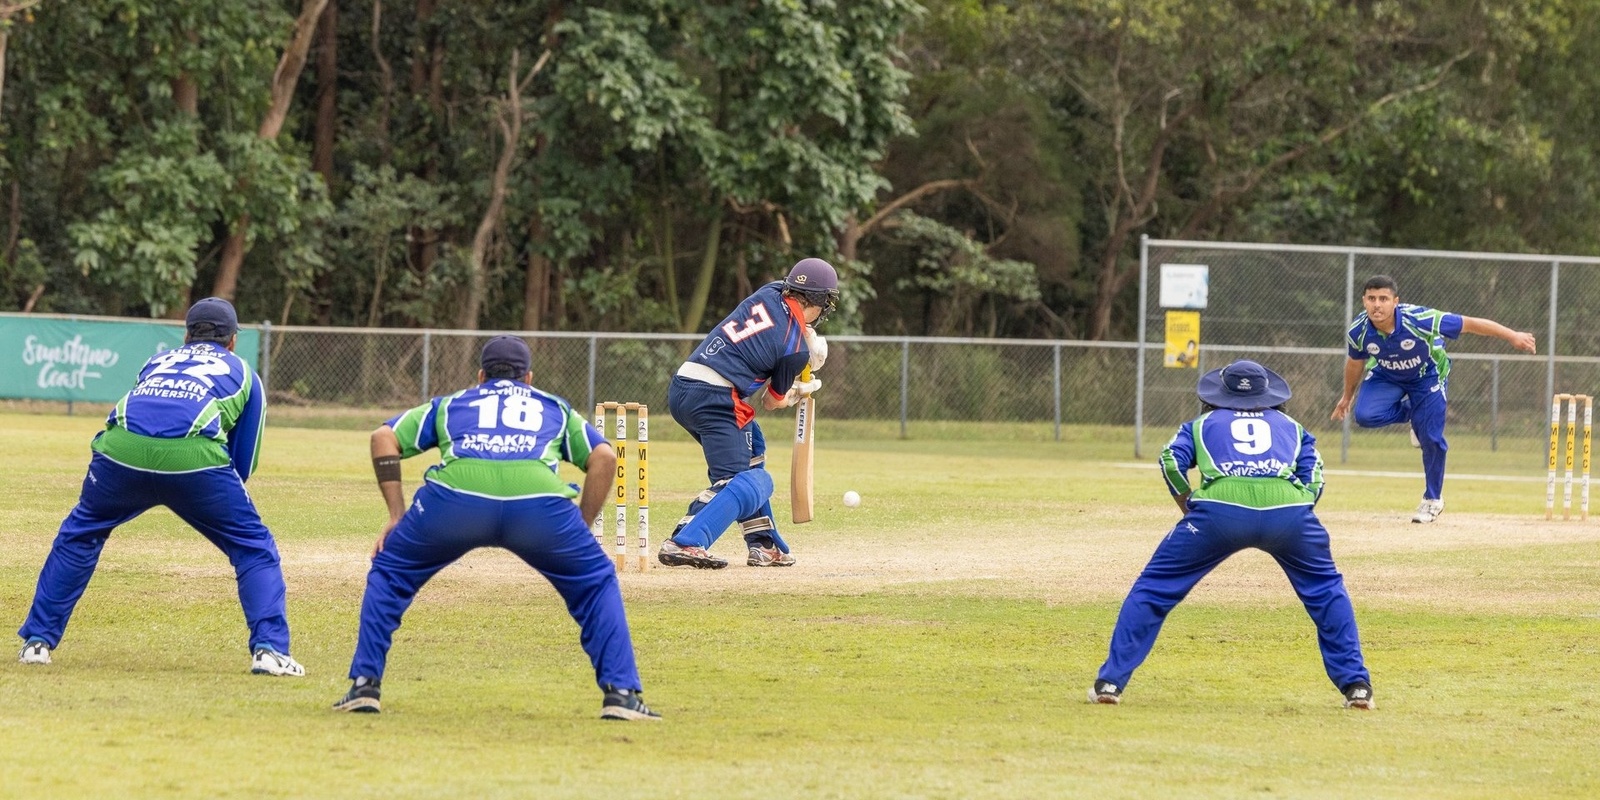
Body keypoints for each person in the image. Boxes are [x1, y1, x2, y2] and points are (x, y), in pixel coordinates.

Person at [334, 336, 658, 720]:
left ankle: (364, 686)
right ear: (529, 379)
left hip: (455, 501)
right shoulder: (554, 406)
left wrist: (396, 514)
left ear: (480, 375)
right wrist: (581, 528)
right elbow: (604, 456)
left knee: (389, 573)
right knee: (595, 581)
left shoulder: (452, 404)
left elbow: (382, 437)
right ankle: (621, 694)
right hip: (539, 508)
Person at [17, 297, 304, 677]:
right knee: (253, 547)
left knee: (80, 534)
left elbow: (142, 409)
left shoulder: (157, 361)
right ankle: (269, 651)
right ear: (233, 340)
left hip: (120, 453)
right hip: (194, 460)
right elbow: (244, 461)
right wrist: (212, 502)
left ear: (185, 335)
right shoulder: (245, 373)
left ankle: (36, 643)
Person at [1089, 359, 1374, 710]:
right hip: (1289, 512)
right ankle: (1356, 686)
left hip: (1219, 511)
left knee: (1153, 590)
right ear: (1268, 394)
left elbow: (1170, 461)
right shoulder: (1293, 426)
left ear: (1219, 394)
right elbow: (1314, 473)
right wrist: (1300, 509)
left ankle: (1110, 683)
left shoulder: (1200, 424)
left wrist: (1189, 505)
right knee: (1327, 592)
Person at [658, 258, 836, 569]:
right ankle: (686, 540)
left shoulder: (770, 291)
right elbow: (772, 401)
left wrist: (802, 350)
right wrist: (802, 390)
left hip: (684, 385)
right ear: (821, 300)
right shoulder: (794, 349)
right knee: (752, 481)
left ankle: (764, 544)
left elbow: (775, 331)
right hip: (716, 399)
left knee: (754, 450)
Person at [1330, 275, 1537, 523]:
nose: (1377, 305)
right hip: (1386, 375)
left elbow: (1469, 323)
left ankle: (1432, 500)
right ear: (1364, 301)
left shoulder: (1419, 319)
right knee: (1365, 416)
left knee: (1431, 438)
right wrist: (1346, 397)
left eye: (1383, 299)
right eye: (1372, 298)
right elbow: (1355, 362)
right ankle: (1418, 414)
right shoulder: (1359, 330)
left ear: (1395, 301)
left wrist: (1512, 335)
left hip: (1427, 375)